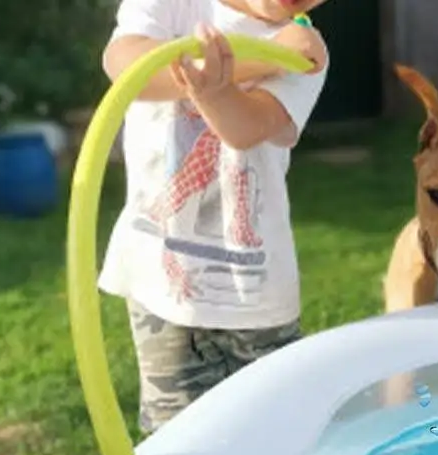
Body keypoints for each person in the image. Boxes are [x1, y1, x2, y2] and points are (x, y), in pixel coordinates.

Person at [100, 0, 329, 432]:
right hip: (163, 290)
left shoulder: (304, 47)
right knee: (178, 443)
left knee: (272, 441)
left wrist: (214, 89)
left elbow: (243, 129)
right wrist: (256, 61)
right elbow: (127, 67)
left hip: (256, 300)